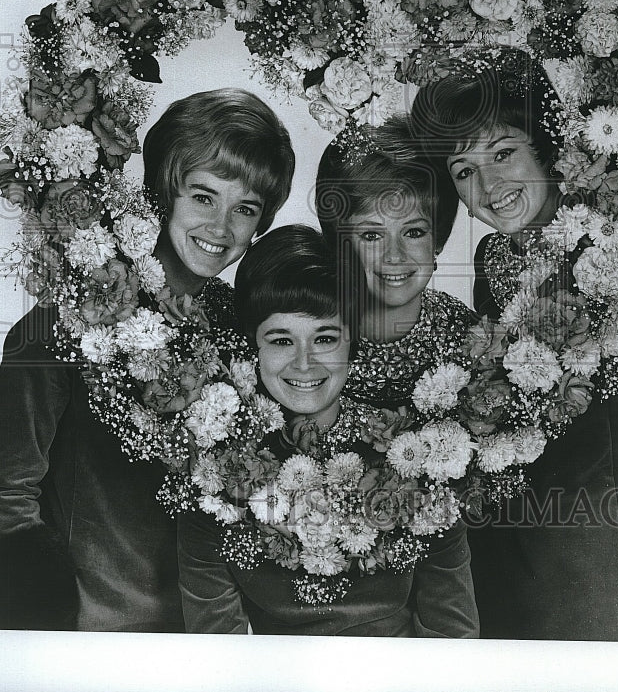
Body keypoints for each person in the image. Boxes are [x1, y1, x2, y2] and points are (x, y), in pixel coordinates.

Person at [0, 88, 295, 631]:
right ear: (165, 190)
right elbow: (8, 495)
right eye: (203, 196)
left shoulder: (241, 322)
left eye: (244, 208)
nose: (220, 228)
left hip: (210, 628)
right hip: (96, 633)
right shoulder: (67, 314)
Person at [410, 60, 618, 642]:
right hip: (515, 549)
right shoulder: (495, 261)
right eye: (464, 170)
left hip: (610, 563)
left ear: (544, 148)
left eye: (503, 153)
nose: (488, 188)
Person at [177, 224, 480, 637]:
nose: (304, 364)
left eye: (324, 338)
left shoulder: (414, 456)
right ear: (254, 346)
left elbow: (453, 636)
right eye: (282, 341)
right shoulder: (217, 470)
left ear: (352, 341)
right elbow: (216, 649)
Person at [315, 116, 479, 410]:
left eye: (414, 232)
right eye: (371, 234)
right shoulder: (307, 331)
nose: (394, 255)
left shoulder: (468, 336)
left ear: (437, 241)